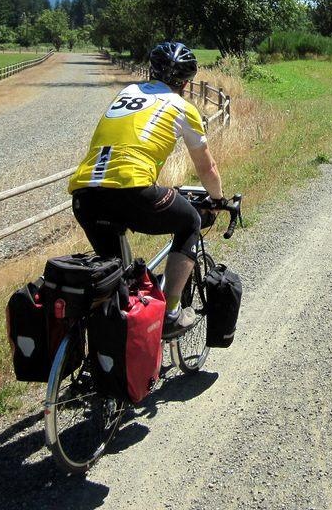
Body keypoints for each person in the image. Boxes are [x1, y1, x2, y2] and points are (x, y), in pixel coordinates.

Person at [68, 41, 226, 337]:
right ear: (186, 82)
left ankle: (114, 348)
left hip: (84, 194)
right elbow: (208, 169)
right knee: (190, 220)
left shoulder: (126, 93)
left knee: (119, 281)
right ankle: (171, 312)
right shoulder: (182, 107)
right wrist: (217, 199)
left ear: (151, 71)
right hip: (132, 190)